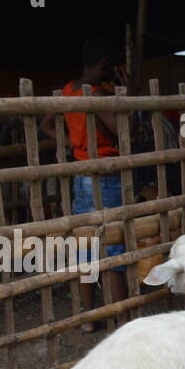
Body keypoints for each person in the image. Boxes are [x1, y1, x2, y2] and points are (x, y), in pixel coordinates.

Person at [42, 35, 128, 331]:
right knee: (114, 246)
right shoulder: (99, 97)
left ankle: (88, 319)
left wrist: (72, 143)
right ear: (103, 64)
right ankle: (122, 318)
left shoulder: (68, 91)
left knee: (86, 247)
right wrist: (124, 94)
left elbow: (46, 123)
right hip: (106, 175)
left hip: (81, 173)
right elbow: (123, 132)